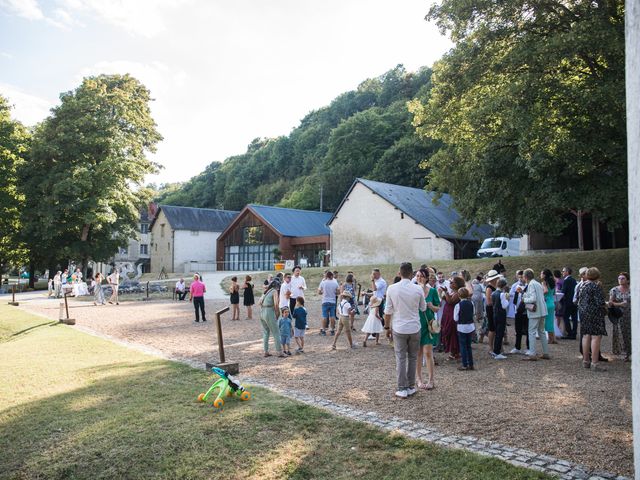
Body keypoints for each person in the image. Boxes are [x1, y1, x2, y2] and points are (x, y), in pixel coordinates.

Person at [384, 262, 427, 399]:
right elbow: (423, 308)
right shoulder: (418, 289)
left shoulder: (392, 288)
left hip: (399, 327)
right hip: (414, 327)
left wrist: (386, 327)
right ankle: (410, 386)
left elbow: (388, 311)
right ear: (411, 273)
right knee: (413, 357)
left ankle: (402, 387)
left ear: (400, 272)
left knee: (401, 357)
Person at [577, 268, 607, 371]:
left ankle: (586, 361)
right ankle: (595, 363)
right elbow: (600, 302)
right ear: (597, 276)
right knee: (596, 337)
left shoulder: (582, 286)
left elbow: (577, 300)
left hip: (583, 313)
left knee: (586, 336)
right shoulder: (596, 286)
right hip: (594, 313)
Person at [416, 270, 440, 388]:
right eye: (417, 276)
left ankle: (431, 380)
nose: (419, 278)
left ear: (426, 278)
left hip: (428, 324)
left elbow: (437, 308)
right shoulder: (413, 290)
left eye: (422, 276)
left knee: (428, 352)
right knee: (418, 353)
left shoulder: (433, 291)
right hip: (416, 325)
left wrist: (431, 306)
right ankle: (419, 379)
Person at [522, 268, 549, 360]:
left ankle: (532, 354)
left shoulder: (531, 284)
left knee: (532, 332)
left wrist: (524, 300)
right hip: (542, 310)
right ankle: (546, 353)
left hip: (535, 311)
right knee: (541, 332)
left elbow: (533, 299)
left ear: (525, 277)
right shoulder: (537, 283)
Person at [440, 276, 465, 360]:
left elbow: (450, 302)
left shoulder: (458, 293)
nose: (450, 283)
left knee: (452, 333)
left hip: (452, 316)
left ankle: (455, 352)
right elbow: (446, 299)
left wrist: (446, 292)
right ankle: (453, 352)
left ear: (457, 284)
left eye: (452, 282)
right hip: (447, 314)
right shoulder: (452, 292)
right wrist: (443, 293)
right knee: (447, 331)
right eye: (450, 282)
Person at [259, 279, 285, 358]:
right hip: (269, 311)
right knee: (276, 332)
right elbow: (276, 304)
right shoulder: (274, 291)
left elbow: (259, 302)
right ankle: (279, 352)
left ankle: (266, 351)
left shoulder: (266, 291)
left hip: (262, 311)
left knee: (266, 332)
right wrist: (277, 314)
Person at [609, 272, 631, 361]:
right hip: (620, 315)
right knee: (622, 334)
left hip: (632, 315)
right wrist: (620, 304)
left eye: (623, 278)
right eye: (619, 278)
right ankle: (626, 354)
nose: (620, 280)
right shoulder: (614, 290)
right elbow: (610, 303)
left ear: (627, 280)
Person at [454, 287, 476, 369]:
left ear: (459, 296)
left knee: (463, 346)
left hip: (461, 327)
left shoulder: (458, 305)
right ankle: (471, 364)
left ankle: (464, 364)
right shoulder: (471, 303)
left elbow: (455, 318)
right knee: (468, 346)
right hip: (470, 326)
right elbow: (473, 313)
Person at [491, 279, 510, 359]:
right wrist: (507, 299)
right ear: (504, 286)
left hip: (495, 314)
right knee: (500, 334)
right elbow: (504, 305)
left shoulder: (493, 293)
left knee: (497, 333)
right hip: (501, 315)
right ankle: (497, 352)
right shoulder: (502, 294)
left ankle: (495, 351)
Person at [484, 270, 501, 354]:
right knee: (492, 329)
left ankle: (498, 347)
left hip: (497, 309)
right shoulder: (489, 288)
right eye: (497, 278)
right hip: (491, 309)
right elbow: (489, 302)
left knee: (497, 328)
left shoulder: (497, 286)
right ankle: (490, 347)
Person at [318, 271, 339, 336]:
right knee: (332, 316)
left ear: (326, 276)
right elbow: (338, 292)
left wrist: (323, 292)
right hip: (332, 301)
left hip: (325, 301)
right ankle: (332, 330)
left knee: (324, 316)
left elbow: (319, 292)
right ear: (332, 276)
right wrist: (334, 293)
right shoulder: (335, 282)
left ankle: (323, 331)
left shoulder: (323, 282)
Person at [561, 267, 578, 339]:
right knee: (574, 318)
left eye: (563, 271)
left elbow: (563, 292)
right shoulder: (574, 280)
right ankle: (574, 333)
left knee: (565, 317)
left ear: (567, 272)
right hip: (574, 302)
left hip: (567, 302)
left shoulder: (566, 280)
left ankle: (570, 333)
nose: (562, 272)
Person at [541, 269, 557, 344]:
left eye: (541, 273)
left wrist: (540, 293)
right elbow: (553, 292)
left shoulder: (545, 282)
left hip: (546, 302)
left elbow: (545, 291)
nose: (540, 274)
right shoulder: (553, 282)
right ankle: (553, 338)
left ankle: (550, 339)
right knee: (551, 321)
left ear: (544, 275)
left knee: (547, 322)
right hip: (552, 302)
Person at [471, 273, 485, 343]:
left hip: (473, 297)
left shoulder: (473, 284)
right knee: (478, 309)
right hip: (478, 298)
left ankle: (477, 317)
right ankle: (478, 318)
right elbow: (483, 291)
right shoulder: (479, 285)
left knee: (475, 308)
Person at [553, 270, 565, 338]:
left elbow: (557, 290)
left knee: (558, 317)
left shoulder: (558, 282)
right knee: (561, 317)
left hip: (559, 301)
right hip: (562, 300)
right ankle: (562, 331)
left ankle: (558, 332)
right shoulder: (562, 281)